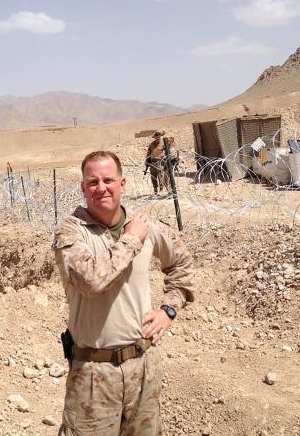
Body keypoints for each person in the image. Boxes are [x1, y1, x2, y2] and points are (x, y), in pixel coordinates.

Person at [52, 150, 195, 435]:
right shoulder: (71, 233)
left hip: (142, 367)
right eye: (92, 182)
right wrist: (131, 240)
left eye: (108, 180)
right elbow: (92, 280)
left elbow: (182, 264)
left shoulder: (146, 227)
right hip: (93, 375)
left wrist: (169, 309)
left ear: (123, 184)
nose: (101, 188)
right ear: (83, 188)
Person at [145, 130, 166, 195]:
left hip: (160, 162)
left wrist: (162, 156)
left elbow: (166, 152)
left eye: (158, 136)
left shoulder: (163, 144)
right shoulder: (151, 144)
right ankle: (155, 190)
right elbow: (148, 153)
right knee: (153, 177)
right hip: (152, 163)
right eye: (156, 136)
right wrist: (147, 161)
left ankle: (161, 190)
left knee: (160, 176)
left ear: (160, 136)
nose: (157, 137)